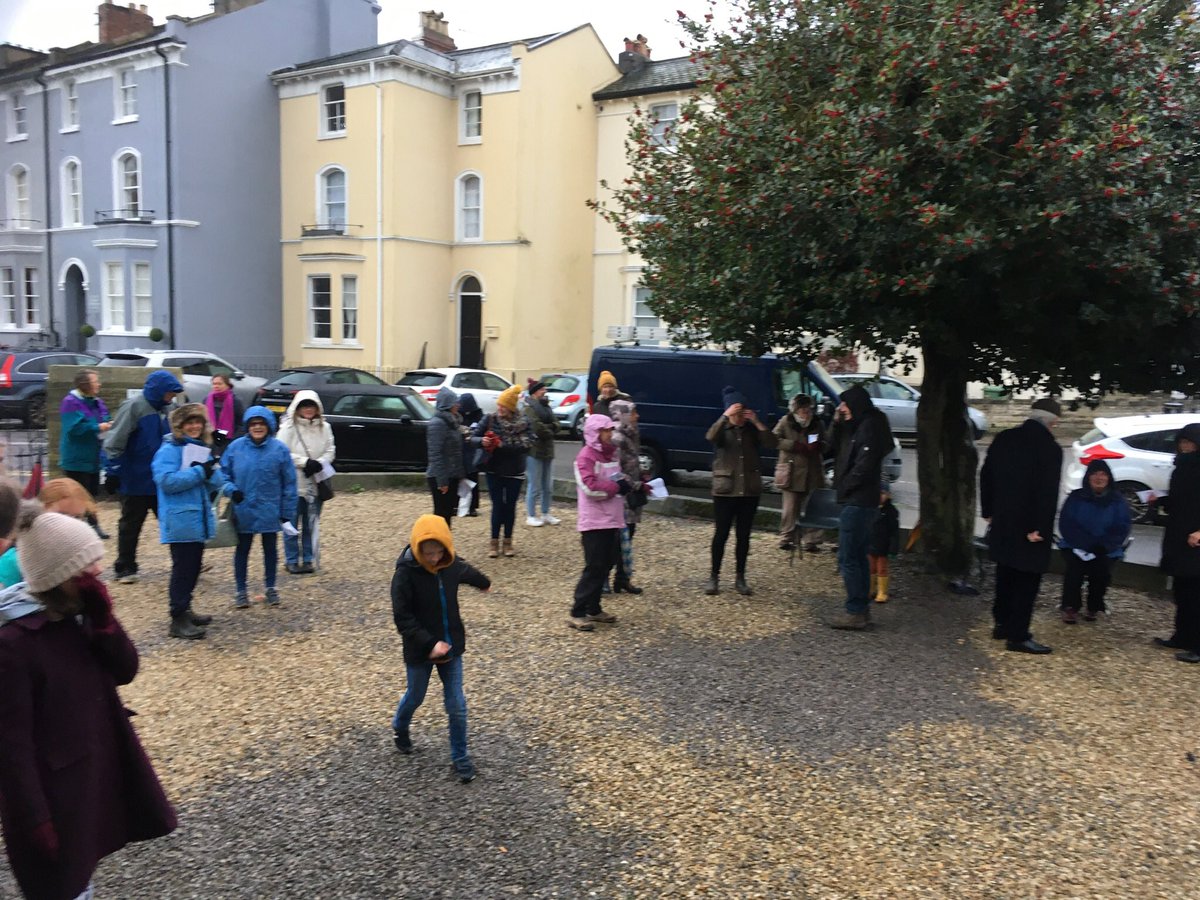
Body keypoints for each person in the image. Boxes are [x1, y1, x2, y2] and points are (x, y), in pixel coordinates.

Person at [0, 507, 177, 900]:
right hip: (56, 793)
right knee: (61, 886)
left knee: (82, 877)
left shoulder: (80, 617)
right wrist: (35, 819)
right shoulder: (14, 644)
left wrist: (106, 622)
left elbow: (126, 669)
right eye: (85, 565)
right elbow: (12, 748)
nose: (97, 571)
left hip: (89, 775)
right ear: (58, 576)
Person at [390, 513, 491, 783]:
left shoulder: (450, 564)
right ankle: (400, 725)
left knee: (456, 704)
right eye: (428, 553)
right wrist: (430, 644)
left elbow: (466, 571)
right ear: (417, 549)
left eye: (439, 552)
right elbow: (402, 618)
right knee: (415, 696)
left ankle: (460, 757)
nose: (434, 558)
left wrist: (484, 583)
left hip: (451, 647)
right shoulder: (405, 574)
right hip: (420, 649)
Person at [979, 397, 1063, 654]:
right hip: (1030, 525)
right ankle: (1018, 634)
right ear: (1053, 422)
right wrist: (1040, 528)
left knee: (1005, 573)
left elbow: (986, 475)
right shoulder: (1050, 448)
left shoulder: (1005, 438)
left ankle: (1002, 623)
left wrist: (989, 511)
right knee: (1027, 580)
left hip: (1003, 520)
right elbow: (1046, 493)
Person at [152, 404, 225, 639]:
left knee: (193, 567)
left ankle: (185, 608)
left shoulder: (200, 448)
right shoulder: (168, 450)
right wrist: (200, 473)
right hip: (181, 519)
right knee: (183, 569)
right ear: (179, 426)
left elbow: (215, 481)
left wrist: (214, 473)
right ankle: (177, 617)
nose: (195, 427)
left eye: (198, 422)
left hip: (195, 518)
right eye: (189, 423)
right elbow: (166, 481)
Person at [105, 370, 183, 584]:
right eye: (170, 392)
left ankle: (184, 561)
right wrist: (112, 470)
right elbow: (115, 439)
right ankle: (125, 568)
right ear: (159, 391)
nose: (172, 397)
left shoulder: (168, 409)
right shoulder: (133, 407)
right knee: (130, 525)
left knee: (174, 522)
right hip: (135, 479)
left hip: (162, 478)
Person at [828, 383, 894, 629]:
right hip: (861, 500)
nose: (842, 408)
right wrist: (837, 423)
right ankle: (861, 609)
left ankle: (855, 610)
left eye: (845, 403)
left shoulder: (869, 427)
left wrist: (845, 487)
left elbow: (864, 465)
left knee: (849, 557)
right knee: (858, 555)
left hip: (858, 500)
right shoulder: (860, 425)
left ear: (855, 404)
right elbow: (829, 445)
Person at [704, 386, 777, 597]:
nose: (740, 416)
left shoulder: (752, 430)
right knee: (721, 534)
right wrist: (724, 417)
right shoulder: (723, 429)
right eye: (736, 412)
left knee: (743, 536)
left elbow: (772, 442)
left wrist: (757, 422)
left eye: (742, 411)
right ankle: (714, 576)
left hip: (749, 490)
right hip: (725, 491)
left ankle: (740, 577)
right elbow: (710, 436)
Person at [221, 407, 297, 609]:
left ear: (269, 426)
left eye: (261, 423)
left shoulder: (280, 450)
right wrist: (230, 490)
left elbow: (289, 483)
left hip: (269, 508)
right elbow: (223, 475)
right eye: (253, 424)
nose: (257, 427)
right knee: (242, 549)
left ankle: (271, 587)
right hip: (243, 508)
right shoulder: (235, 447)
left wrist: (287, 512)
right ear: (247, 426)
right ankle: (240, 590)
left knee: (270, 549)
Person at [569, 414, 628, 630]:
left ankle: (593, 608)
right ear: (595, 432)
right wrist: (616, 488)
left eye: (611, 430)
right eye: (606, 430)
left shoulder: (610, 453)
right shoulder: (585, 457)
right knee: (594, 567)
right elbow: (589, 487)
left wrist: (630, 485)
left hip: (612, 518)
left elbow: (615, 478)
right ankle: (577, 611)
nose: (610, 434)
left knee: (607, 563)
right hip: (594, 521)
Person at [1057, 458, 1132, 623]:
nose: (1099, 478)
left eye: (1103, 474)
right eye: (1095, 474)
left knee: (1101, 573)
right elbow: (1066, 523)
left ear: (1109, 477)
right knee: (1073, 573)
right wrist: (1084, 543)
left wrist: (1105, 545)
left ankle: (1094, 605)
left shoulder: (1117, 500)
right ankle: (1070, 606)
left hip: (1106, 548)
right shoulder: (1076, 497)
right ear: (1088, 477)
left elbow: (1122, 527)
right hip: (1077, 545)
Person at [0, 479, 100, 589]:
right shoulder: (14, 558)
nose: (69, 522)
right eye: (62, 515)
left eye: (78, 517)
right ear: (41, 509)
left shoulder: (81, 555)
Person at [1155, 422, 1200, 663]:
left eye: (1189, 443)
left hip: (1196, 540)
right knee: (1182, 592)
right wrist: (1160, 501)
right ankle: (1182, 636)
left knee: (1196, 595)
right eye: (1182, 442)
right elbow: (1180, 501)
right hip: (1179, 537)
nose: (1185, 447)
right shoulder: (1181, 468)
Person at [277, 390, 335, 574]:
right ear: (297, 408)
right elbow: (281, 452)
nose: (308, 409)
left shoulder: (325, 427)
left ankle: (309, 558)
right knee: (291, 524)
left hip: (316, 482)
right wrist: (304, 462)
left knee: (311, 525)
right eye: (304, 406)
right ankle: (291, 559)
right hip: (293, 484)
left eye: (311, 405)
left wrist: (319, 463)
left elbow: (330, 449)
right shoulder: (288, 428)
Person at [480, 385, 533, 558]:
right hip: (494, 469)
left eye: (503, 405)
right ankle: (494, 541)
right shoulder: (490, 419)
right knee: (497, 505)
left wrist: (502, 445)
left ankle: (508, 541)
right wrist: (482, 441)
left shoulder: (523, 423)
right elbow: (474, 435)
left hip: (514, 470)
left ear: (511, 407)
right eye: (499, 404)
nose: (500, 408)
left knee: (510, 506)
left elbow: (526, 445)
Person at [58, 368, 111, 538]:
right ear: (85, 384)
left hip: (93, 457)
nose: (99, 384)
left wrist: (107, 424)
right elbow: (73, 428)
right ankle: (76, 528)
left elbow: (104, 416)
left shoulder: (97, 401)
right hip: (76, 458)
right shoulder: (70, 402)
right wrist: (97, 427)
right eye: (95, 382)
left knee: (91, 494)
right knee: (77, 495)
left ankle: (92, 525)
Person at [772, 393, 827, 551]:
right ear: (795, 410)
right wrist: (793, 445)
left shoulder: (817, 423)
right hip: (791, 470)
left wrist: (819, 445)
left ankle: (811, 540)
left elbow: (826, 442)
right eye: (803, 409)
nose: (806, 412)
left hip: (812, 470)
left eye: (808, 409)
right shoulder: (786, 421)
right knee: (790, 508)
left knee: (813, 506)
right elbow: (773, 439)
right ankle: (786, 538)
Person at [609, 398, 650, 594]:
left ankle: (622, 578)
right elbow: (615, 471)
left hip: (632, 495)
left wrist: (642, 475)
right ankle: (604, 579)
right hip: (622, 497)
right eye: (633, 413)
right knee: (616, 540)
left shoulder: (632, 433)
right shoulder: (617, 438)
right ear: (623, 415)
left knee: (627, 537)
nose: (637, 416)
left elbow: (632, 462)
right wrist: (635, 484)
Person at [425, 387, 465, 527]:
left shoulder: (452, 422)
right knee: (441, 513)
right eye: (455, 402)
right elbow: (435, 453)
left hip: (451, 474)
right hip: (441, 475)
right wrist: (442, 481)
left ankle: (445, 538)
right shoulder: (438, 424)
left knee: (448, 512)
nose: (458, 405)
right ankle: (439, 538)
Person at [523, 379, 561, 527]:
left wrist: (550, 428)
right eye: (541, 389)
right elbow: (536, 427)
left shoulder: (547, 407)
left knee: (548, 486)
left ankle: (546, 513)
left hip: (548, 450)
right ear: (534, 392)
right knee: (534, 485)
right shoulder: (529, 408)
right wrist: (551, 429)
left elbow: (557, 424)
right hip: (534, 451)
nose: (545, 391)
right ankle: (531, 515)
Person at [869, 483, 900, 603]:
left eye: (883, 493)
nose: (880, 496)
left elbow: (894, 532)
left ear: (888, 495)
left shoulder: (891, 511)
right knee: (870, 568)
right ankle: (871, 589)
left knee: (882, 568)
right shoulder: (871, 508)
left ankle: (882, 591)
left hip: (883, 546)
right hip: (870, 544)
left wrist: (893, 549)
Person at [204, 372, 245, 459]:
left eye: (219, 384)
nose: (216, 386)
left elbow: (241, 424)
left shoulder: (235, 401)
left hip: (229, 441)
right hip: (210, 441)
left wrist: (234, 441)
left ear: (227, 385)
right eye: (214, 384)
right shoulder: (206, 400)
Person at [459, 393, 483, 517]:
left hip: (473, 452)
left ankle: (472, 506)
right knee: (460, 479)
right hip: (462, 451)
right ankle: (460, 504)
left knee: (473, 479)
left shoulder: (478, 417)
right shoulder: (458, 416)